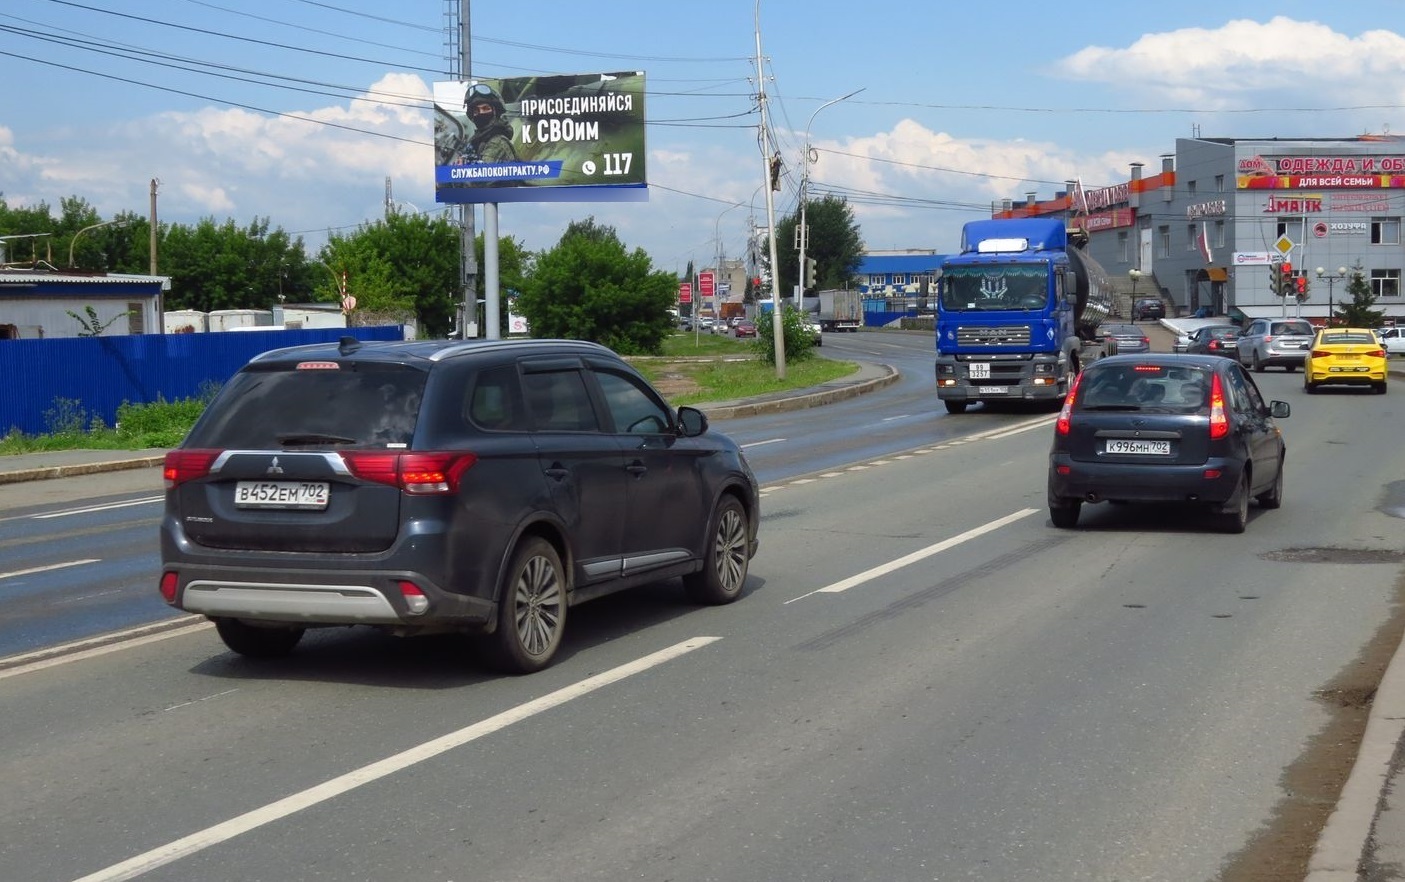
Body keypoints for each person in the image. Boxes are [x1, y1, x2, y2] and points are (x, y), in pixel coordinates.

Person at [458, 82, 517, 164]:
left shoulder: (497, 142)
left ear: (495, 111)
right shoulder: (477, 141)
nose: (481, 113)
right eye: (476, 110)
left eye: (486, 108)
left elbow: (483, 172)